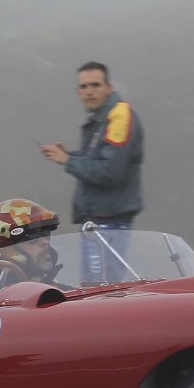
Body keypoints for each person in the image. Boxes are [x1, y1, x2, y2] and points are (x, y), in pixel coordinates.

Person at [39, 61, 143, 283]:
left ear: (109, 87)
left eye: (95, 85)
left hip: (109, 222)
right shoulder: (102, 118)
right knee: (93, 289)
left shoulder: (119, 117)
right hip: (97, 222)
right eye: (84, 87)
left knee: (102, 290)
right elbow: (98, 159)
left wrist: (68, 160)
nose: (89, 92)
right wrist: (69, 155)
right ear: (77, 91)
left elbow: (110, 171)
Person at [0, 198, 63, 299]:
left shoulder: (62, 292)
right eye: (33, 236)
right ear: (3, 248)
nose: (45, 242)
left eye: (46, 234)